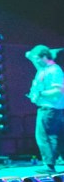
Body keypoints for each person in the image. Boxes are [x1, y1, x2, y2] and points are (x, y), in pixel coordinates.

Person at [26, 45, 64, 173]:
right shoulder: (45, 69)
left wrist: (40, 94)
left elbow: (58, 91)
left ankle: (49, 165)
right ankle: (53, 162)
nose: (35, 61)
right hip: (50, 108)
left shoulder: (54, 70)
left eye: (37, 58)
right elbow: (28, 54)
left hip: (50, 108)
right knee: (57, 136)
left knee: (44, 137)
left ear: (44, 57)